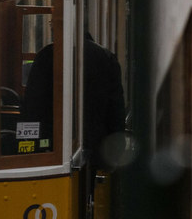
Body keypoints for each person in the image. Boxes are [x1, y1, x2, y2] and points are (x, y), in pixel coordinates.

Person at [22, 33, 127, 164]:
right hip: (97, 146)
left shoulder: (47, 55)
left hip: (52, 144)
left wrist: (33, 139)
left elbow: (32, 104)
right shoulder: (105, 57)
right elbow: (115, 109)